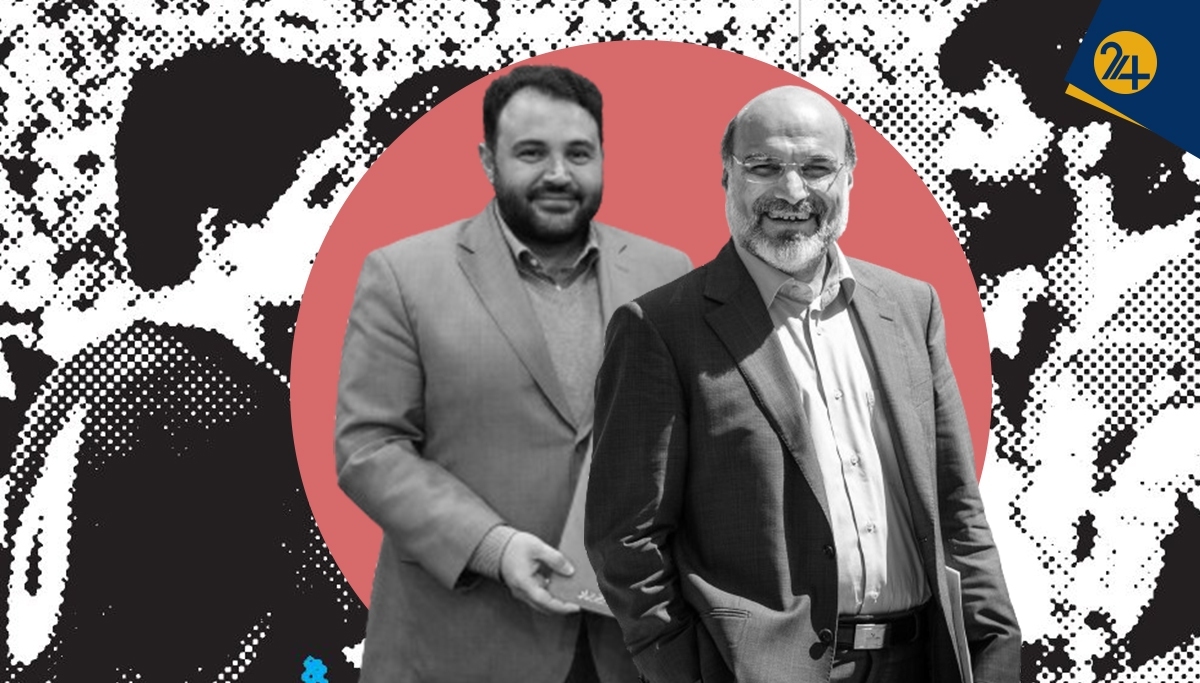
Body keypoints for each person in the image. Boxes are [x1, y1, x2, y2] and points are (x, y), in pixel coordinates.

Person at [585, 85, 1020, 683]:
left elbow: (956, 508)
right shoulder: (660, 329)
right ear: (726, 177)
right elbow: (626, 539)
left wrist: (995, 651)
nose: (792, 192)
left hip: (923, 661)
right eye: (763, 167)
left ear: (849, 177)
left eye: (817, 168)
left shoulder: (911, 307)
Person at [334, 64, 692, 683]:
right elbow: (369, 448)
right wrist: (493, 547)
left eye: (578, 153)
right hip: (462, 643)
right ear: (488, 160)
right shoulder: (402, 274)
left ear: (602, 157)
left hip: (632, 647)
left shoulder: (668, 271)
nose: (558, 174)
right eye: (531, 153)